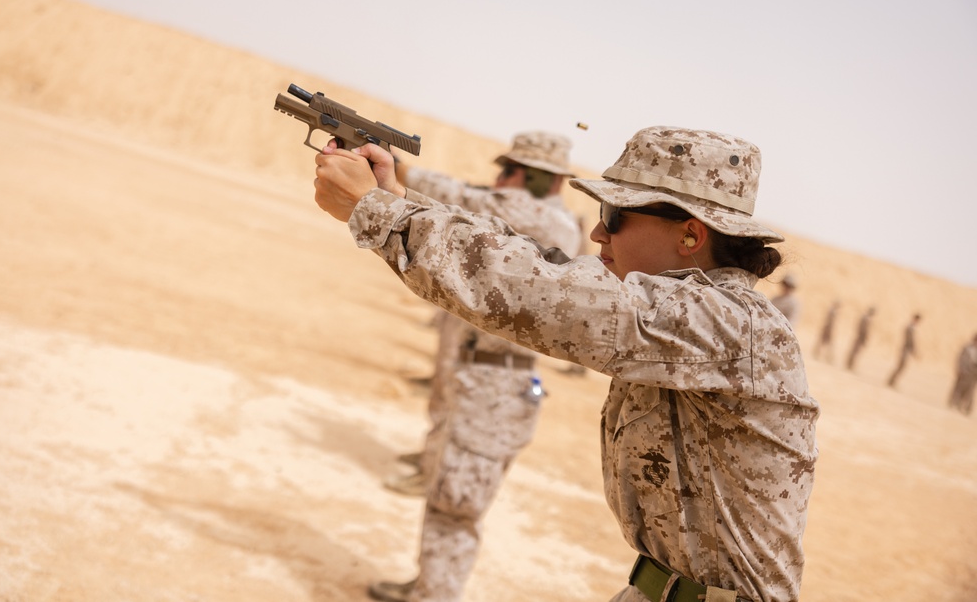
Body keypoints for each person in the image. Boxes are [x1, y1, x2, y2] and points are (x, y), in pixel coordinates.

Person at [315, 125, 819, 602]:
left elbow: (534, 291)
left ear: (690, 236)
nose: (598, 233)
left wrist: (377, 210)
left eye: (617, 216)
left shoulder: (731, 324)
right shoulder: (699, 311)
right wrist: (399, 201)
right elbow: (546, 265)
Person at [371, 132, 583, 601]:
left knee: (456, 505)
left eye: (509, 172)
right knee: (449, 495)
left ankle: (433, 595)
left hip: (494, 384)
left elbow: (461, 198)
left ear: (535, 178)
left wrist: (393, 165)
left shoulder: (546, 219)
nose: (499, 180)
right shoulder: (534, 216)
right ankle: (430, 586)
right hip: (489, 379)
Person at [886, 313, 922, 388]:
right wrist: (913, 352)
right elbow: (910, 341)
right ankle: (891, 381)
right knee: (900, 366)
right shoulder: (909, 328)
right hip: (905, 350)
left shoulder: (911, 328)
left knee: (901, 367)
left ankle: (891, 381)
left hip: (906, 350)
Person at [948, 333, 977, 415]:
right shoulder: (967, 348)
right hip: (965, 372)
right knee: (959, 388)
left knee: (970, 391)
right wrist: (960, 369)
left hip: (973, 374)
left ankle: (966, 408)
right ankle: (954, 403)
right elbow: (961, 359)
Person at [845, 306, 875, 371]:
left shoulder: (866, 318)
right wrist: (863, 338)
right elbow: (863, 329)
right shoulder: (865, 319)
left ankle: (849, 364)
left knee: (855, 351)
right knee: (854, 351)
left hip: (860, 337)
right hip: (860, 337)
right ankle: (849, 364)